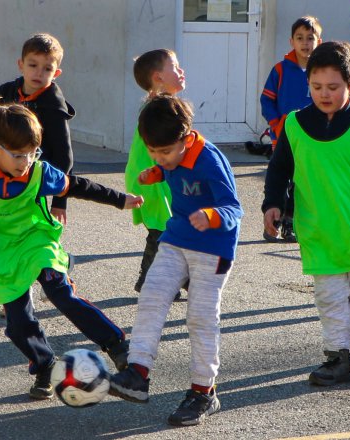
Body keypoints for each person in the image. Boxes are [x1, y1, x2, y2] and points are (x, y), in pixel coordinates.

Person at [0, 103, 139, 399]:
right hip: (1, 254)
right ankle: (44, 363)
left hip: (38, 242)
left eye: (33, 153)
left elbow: (78, 186)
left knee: (60, 291)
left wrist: (120, 200)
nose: (27, 161)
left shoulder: (39, 172)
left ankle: (116, 344)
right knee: (18, 324)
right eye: (19, 155)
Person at [262, 41, 350, 387]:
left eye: (333, 87)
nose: (324, 94)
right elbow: (278, 171)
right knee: (330, 299)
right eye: (316, 87)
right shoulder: (293, 125)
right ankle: (337, 357)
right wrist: (272, 204)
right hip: (318, 232)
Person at [109, 95, 243, 427]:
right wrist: (156, 172)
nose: (160, 158)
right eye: (153, 152)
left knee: (200, 318)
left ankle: (203, 392)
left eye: (165, 152)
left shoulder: (211, 160)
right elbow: (171, 170)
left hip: (213, 247)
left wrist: (212, 215)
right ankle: (137, 372)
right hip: (177, 238)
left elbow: (234, 208)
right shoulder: (168, 158)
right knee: (152, 294)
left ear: (186, 137)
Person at [0, 33, 75, 224]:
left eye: (47, 68)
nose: (39, 73)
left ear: (56, 73)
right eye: (32, 65)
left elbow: (64, 155)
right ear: (20, 64)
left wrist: (60, 201)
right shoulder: (5, 93)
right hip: (3, 173)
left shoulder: (53, 105)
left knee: (30, 226)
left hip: (33, 176)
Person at [125, 49, 184, 298]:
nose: (181, 72)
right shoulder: (162, 108)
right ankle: (149, 279)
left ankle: (167, 280)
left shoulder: (159, 104)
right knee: (164, 231)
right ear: (159, 77)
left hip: (154, 177)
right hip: (153, 179)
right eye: (176, 67)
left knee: (168, 230)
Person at [260, 16, 322, 243]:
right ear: (291, 41)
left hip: (311, 138)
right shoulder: (280, 70)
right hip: (283, 137)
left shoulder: (321, 71)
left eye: (310, 38)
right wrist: (276, 124)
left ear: (319, 41)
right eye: (300, 38)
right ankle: (271, 222)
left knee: (301, 181)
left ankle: (290, 223)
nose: (305, 43)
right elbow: (267, 101)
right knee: (281, 179)